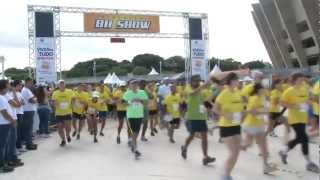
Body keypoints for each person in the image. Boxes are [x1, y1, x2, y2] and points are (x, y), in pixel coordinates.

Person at [279, 73, 319, 173]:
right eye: (300, 80)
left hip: (303, 118)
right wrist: (296, 106)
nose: (302, 81)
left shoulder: (304, 89)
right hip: (294, 119)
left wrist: (309, 102)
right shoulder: (289, 91)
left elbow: (309, 99)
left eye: (303, 80)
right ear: (294, 80)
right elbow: (282, 102)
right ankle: (309, 163)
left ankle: (283, 152)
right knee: (304, 138)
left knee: (299, 138)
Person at [241, 83, 277, 174]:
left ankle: (266, 166)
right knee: (248, 145)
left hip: (259, 125)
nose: (264, 90)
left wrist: (268, 121)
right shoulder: (254, 98)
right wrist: (264, 111)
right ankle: (235, 148)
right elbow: (252, 112)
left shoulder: (262, 98)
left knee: (264, 147)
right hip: (251, 125)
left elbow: (265, 111)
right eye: (262, 89)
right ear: (258, 90)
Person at [214, 73, 244, 180]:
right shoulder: (224, 93)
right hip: (226, 126)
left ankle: (227, 173)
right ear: (231, 81)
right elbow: (215, 109)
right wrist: (225, 114)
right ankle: (225, 174)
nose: (238, 82)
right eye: (237, 80)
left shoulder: (238, 93)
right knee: (233, 152)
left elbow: (241, 109)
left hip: (236, 126)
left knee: (237, 152)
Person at [181, 75, 215, 166]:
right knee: (192, 136)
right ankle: (184, 147)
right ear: (191, 81)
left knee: (205, 137)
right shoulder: (188, 88)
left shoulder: (202, 90)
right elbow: (192, 93)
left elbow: (208, 100)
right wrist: (203, 86)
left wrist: (216, 90)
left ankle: (205, 157)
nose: (198, 82)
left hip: (202, 117)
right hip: (192, 117)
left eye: (199, 81)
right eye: (196, 81)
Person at [123, 80, 148, 159]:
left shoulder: (142, 92)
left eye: (135, 84)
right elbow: (123, 103)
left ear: (138, 85)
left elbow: (146, 102)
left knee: (136, 132)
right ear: (130, 86)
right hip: (130, 116)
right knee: (133, 132)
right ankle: (136, 149)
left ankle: (133, 145)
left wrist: (140, 100)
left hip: (139, 115)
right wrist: (131, 101)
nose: (134, 85)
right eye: (132, 84)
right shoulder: (127, 93)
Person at [5, 81, 24, 168]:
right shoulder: (6, 95)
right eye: (8, 84)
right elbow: (18, 104)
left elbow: (19, 104)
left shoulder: (8, 95)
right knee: (11, 140)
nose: (10, 86)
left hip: (12, 118)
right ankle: (11, 159)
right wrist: (14, 93)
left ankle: (12, 157)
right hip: (10, 120)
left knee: (12, 139)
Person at [52, 80, 74, 147]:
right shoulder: (55, 93)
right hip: (59, 113)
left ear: (65, 85)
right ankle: (63, 140)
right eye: (60, 84)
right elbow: (53, 102)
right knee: (60, 128)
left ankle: (67, 135)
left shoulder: (70, 91)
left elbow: (74, 98)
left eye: (63, 84)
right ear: (58, 86)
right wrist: (55, 104)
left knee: (68, 128)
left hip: (67, 112)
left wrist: (71, 105)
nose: (61, 85)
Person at [0, 80, 16, 173]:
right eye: (8, 85)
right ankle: (2, 165)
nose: (9, 87)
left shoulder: (2, 97)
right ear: (4, 87)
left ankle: (4, 163)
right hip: (3, 124)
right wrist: (12, 120)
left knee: (3, 145)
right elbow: (4, 112)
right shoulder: (1, 98)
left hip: (4, 123)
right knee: (2, 145)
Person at [21, 77, 37, 150]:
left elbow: (32, 98)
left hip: (29, 110)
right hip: (28, 111)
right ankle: (29, 144)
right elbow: (32, 100)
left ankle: (30, 142)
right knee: (28, 128)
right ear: (27, 82)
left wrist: (34, 98)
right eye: (31, 82)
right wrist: (35, 99)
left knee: (29, 128)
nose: (32, 84)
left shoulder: (27, 90)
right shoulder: (26, 90)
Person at [11, 80, 25, 152]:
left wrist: (20, 102)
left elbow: (23, 102)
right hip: (16, 114)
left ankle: (19, 146)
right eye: (20, 85)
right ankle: (17, 147)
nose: (21, 86)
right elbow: (18, 104)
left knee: (20, 130)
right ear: (15, 86)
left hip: (20, 113)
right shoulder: (11, 94)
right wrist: (20, 102)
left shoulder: (19, 93)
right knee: (17, 131)